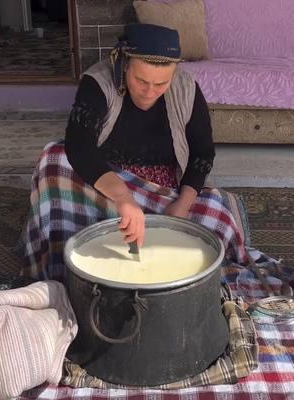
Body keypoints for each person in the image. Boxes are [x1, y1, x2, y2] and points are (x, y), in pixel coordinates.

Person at [22, 23, 248, 282]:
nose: (150, 91)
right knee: (54, 158)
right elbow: (79, 146)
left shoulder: (187, 90)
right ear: (124, 64)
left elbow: (202, 153)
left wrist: (182, 205)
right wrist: (123, 198)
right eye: (141, 80)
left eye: (161, 83)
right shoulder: (98, 82)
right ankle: (61, 271)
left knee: (219, 216)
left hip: (161, 191)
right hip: (102, 186)